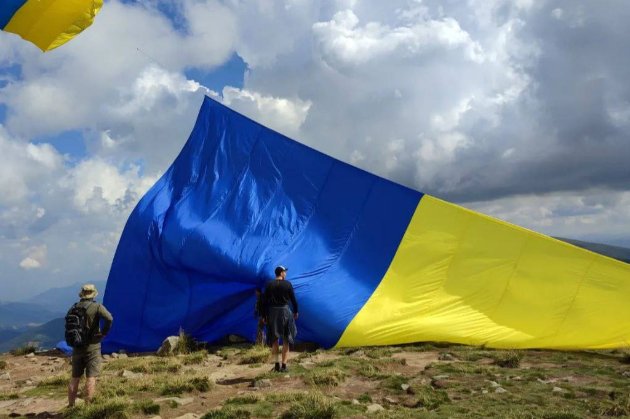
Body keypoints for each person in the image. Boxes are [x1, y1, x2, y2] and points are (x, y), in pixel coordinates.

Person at [67, 284, 113, 407]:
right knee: (91, 377)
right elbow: (109, 318)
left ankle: (71, 405)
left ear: (82, 294)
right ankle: (88, 406)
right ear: (93, 294)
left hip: (76, 348)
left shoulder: (74, 307)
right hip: (93, 347)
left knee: (75, 378)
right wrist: (103, 333)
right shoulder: (96, 307)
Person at [261, 265, 298, 372]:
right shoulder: (288, 284)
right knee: (286, 339)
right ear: (281, 273)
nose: (285, 273)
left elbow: (264, 302)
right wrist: (296, 311)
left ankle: (276, 365)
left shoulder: (269, 285)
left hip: (272, 312)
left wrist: (264, 315)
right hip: (285, 312)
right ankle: (284, 366)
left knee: (274, 340)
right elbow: (293, 300)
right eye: (285, 272)